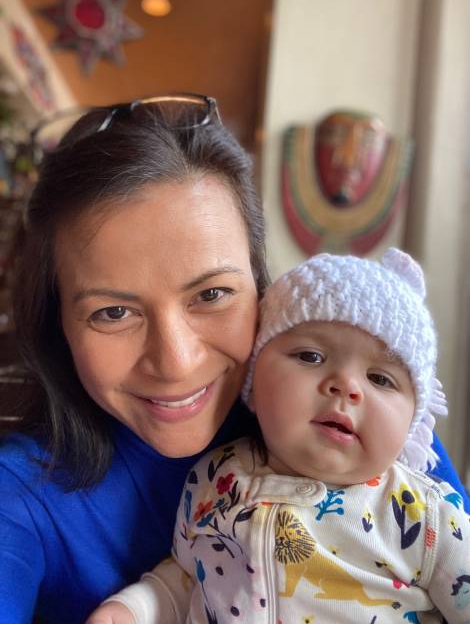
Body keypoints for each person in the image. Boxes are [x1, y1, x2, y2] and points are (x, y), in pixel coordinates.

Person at [0, 94, 466, 624]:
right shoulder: (19, 496)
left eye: (212, 294)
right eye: (113, 312)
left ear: (261, 288)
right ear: (57, 322)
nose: (175, 362)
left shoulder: (368, 433)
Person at [87, 249, 469, 624]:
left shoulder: (427, 516)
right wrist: (135, 609)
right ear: (252, 382)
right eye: (311, 357)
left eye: (380, 379)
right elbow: (187, 576)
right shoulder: (214, 478)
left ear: (413, 421)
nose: (347, 387)